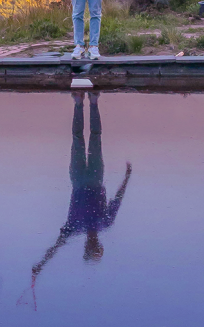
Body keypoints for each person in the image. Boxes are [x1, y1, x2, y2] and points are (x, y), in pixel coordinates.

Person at [31, 91, 133, 278]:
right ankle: (93, 101)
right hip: (94, 179)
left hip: (78, 180)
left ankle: (79, 102)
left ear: (87, 246)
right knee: (95, 137)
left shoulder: (74, 227)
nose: (93, 244)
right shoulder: (104, 223)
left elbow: (55, 247)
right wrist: (126, 177)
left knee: (78, 138)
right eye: (96, 247)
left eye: (91, 247)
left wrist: (41, 265)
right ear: (99, 245)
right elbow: (117, 200)